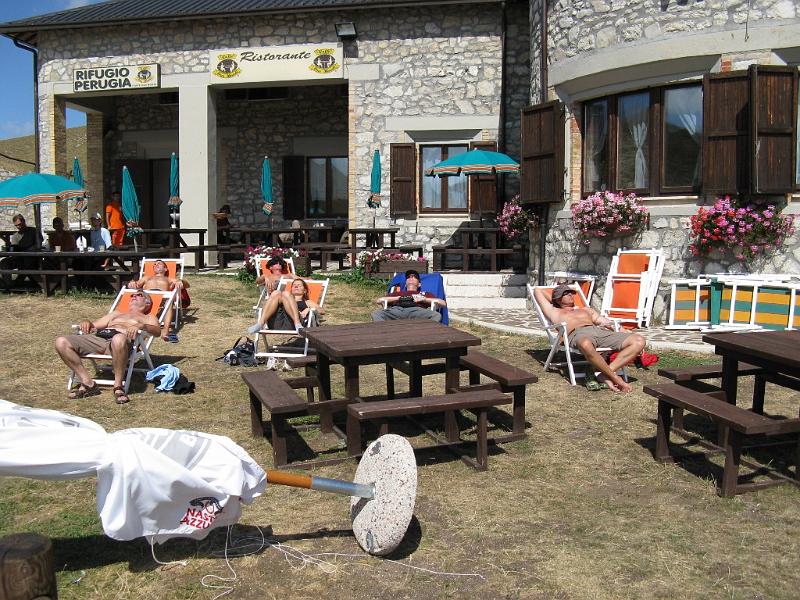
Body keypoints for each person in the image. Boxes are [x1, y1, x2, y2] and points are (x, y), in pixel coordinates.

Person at [533, 284, 646, 393]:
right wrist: (555, 301)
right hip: (577, 334)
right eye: (566, 293)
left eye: (571, 293)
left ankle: (604, 374)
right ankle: (616, 379)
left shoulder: (586, 310)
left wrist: (626, 333)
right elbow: (538, 290)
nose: (571, 295)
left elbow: (606, 323)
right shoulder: (554, 311)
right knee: (586, 344)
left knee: (639, 340)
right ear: (558, 299)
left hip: (598, 331)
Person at [55, 290, 161, 404]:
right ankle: (88, 383)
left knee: (118, 338)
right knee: (61, 342)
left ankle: (118, 386)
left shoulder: (148, 318)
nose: (134, 296)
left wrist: (142, 325)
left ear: (147, 303)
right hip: (100, 339)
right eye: (132, 295)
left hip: (122, 341)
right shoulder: (116, 314)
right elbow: (94, 325)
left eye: (139, 295)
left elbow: (157, 332)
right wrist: (86, 322)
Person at [128, 259, 188, 342]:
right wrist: (132, 282)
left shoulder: (169, 279)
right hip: (146, 297)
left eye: (159, 264)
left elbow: (186, 285)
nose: (156, 265)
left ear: (165, 269)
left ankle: (166, 331)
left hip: (162, 297)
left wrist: (181, 281)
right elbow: (137, 284)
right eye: (155, 264)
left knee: (169, 302)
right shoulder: (147, 277)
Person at [247, 277, 323, 334]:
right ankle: (261, 323)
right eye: (294, 285)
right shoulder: (285, 297)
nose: (296, 286)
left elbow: (322, 311)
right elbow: (259, 281)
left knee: (285, 293)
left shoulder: (308, 302)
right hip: (276, 323)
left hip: (292, 324)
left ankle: (297, 323)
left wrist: (309, 309)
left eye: (299, 285)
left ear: (305, 290)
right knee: (276, 293)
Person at [372, 269, 445, 323]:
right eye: (409, 277)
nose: (411, 278)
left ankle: (424, 333)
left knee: (436, 315)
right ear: (406, 283)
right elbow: (379, 300)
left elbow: (443, 303)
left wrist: (424, 299)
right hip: (397, 310)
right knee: (376, 314)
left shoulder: (424, 293)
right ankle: (386, 333)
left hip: (416, 311)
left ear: (419, 284)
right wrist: (397, 298)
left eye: (414, 277)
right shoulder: (397, 293)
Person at [0, 214, 43, 286]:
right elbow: (14, 250)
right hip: (19, 258)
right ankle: (8, 285)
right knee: (4, 262)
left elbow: (39, 244)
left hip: (32, 258)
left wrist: (29, 250)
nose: (18, 227)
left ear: (24, 222)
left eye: (19, 224)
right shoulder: (15, 236)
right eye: (16, 225)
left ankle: (19, 282)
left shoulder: (33, 231)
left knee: (27, 263)